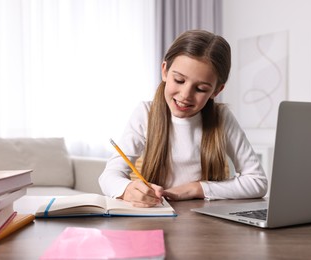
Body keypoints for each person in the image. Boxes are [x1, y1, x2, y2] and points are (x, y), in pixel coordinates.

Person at [99, 29, 268, 207]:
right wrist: (127, 188)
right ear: (165, 71)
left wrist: (195, 189)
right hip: (156, 216)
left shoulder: (221, 118)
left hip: (207, 224)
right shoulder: (145, 113)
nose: (185, 95)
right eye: (179, 80)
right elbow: (108, 177)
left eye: (201, 89)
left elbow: (258, 181)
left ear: (216, 91)